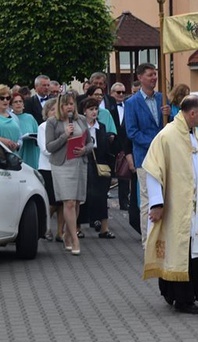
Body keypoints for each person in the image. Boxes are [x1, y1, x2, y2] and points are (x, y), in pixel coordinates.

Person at [143, 95, 198, 314]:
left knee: (196, 249)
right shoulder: (167, 136)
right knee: (179, 249)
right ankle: (181, 298)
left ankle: (190, 293)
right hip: (177, 206)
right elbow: (153, 171)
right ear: (192, 114)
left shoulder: (195, 136)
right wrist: (156, 203)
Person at [125, 63, 168, 245]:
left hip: (165, 158)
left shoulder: (163, 99)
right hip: (144, 157)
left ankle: (164, 238)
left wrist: (170, 115)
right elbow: (132, 132)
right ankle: (148, 240)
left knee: (165, 197)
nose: (154, 78)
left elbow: (171, 126)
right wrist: (155, 143)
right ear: (140, 77)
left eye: (155, 74)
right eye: (150, 75)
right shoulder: (132, 103)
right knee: (147, 199)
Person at [46, 92, 93, 256]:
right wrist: (65, 135)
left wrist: (84, 150)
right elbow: (49, 147)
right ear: (60, 106)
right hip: (62, 165)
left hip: (79, 163)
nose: (69, 107)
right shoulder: (52, 122)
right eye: (66, 104)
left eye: (71, 104)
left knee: (77, 202)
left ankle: (67, 233)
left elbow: (90, 142)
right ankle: (75, 239)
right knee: (69, 202)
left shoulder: (80, 120)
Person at [80, 97, 116, 238]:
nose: (94, 112)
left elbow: (105, 149)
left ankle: (104, 228)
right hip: (84, 161)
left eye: (96, 109)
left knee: (101, 195)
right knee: (83, 195)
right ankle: (78, 227)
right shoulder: (81, 126)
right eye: (91, 109)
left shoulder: (101, 127)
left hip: (99, 162)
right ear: (84, 111)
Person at [38, 98, 64, 242]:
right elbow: (46, 149)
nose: (55, 113)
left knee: (62, 201)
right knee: (53, 201)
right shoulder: (43, 127)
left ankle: (60, 232)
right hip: (47, 167)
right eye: (52, 110)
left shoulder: (62, 125)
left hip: (61, 166)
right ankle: (43, 226)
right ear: (47, 112)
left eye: (57, 109)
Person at [110, 82, 136, 212]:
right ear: (112, 93)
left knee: (125, 175)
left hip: (126, 144)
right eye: (118, 92)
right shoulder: (109, 107)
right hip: (112, 145)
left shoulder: (129, 106)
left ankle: (124, 201)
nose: (121, 95)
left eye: (123, 92)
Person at [11, 92, 40, 169]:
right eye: (15, 102)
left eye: (20, 101)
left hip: (31, 151)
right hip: (18, 151)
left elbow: (37, 133)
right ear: (11, 105)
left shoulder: (30, 118)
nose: (18, 104)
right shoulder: (10, 119)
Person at [0, 84, 21, 152]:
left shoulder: (14, 117)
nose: (5, 100)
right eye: (2, 98)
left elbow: (20, 137)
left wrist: (17, 144)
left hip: (13, 157)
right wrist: (2, 140)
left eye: (8, 98)